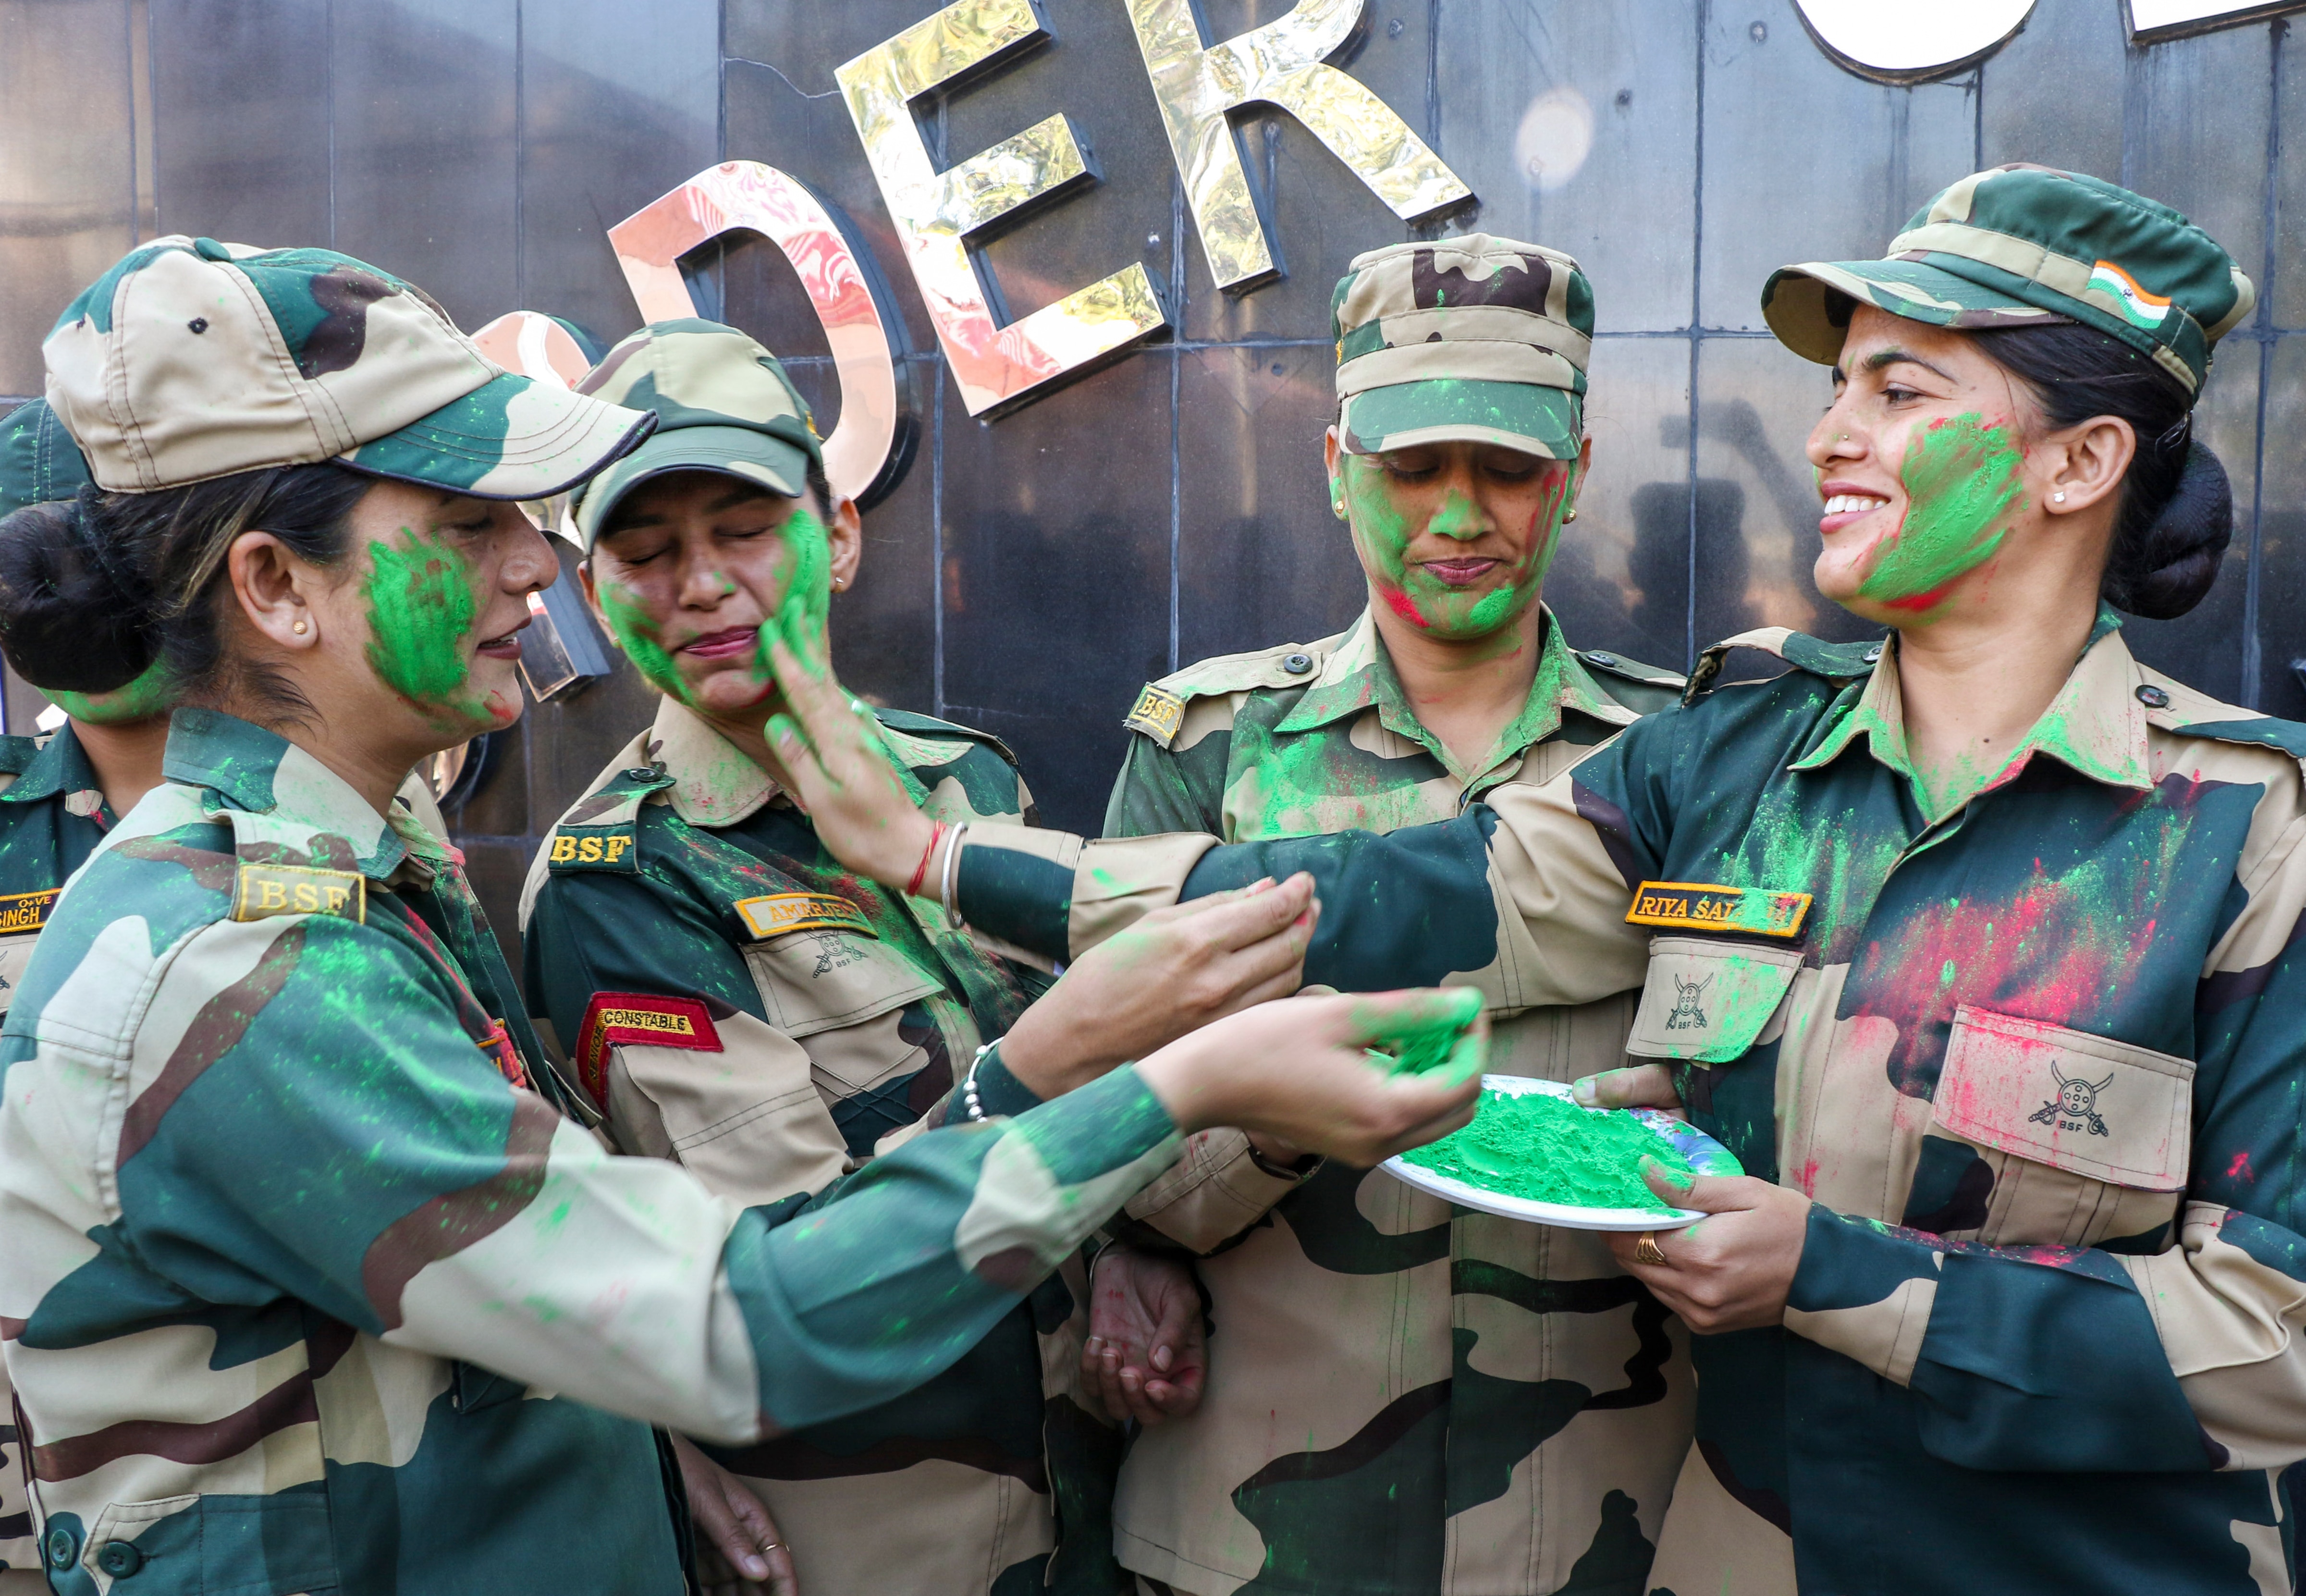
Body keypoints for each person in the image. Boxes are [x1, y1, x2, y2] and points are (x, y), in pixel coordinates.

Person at [758, 165, 2306, 1596]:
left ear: (2084, 460)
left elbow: (2280, 1342)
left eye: (1899, 391)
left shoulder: (2247, 829)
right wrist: (949, 856)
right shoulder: (1734, 758)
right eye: (1838, 388)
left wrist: (1831, 1273)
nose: (1832, 435)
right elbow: (1373, 899)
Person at [0, 235, 1481, 1596]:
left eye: (527, 520)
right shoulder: (243, 964)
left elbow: (528, 1287)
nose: (534, 567)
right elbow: (735, 1314)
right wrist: (1165, 1076)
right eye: (466, 524)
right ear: (276, 586)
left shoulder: (379, 854)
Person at [520, 319, 1276, 1595]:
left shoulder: (959, 780)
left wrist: (1139, 1249)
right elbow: (806, 1261)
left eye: (745, 528)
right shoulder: (619, 880)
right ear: (596, 595)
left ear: (843, 533)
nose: (701, 582)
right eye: (645, 552)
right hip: (871, 1534)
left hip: (1094, 1498)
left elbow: (1086, 1119)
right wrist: (1115, 1074)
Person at [1090, 235, 1690, 1596]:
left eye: (1509, 468)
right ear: (1334, 466)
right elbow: (1086, 1119)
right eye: (1412, 468)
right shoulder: (1213, 750)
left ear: (1580, 474)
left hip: (1612, 1528)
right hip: (1267, 1535)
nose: (1459, 516)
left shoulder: (1690, 759)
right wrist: (1266, 1122)